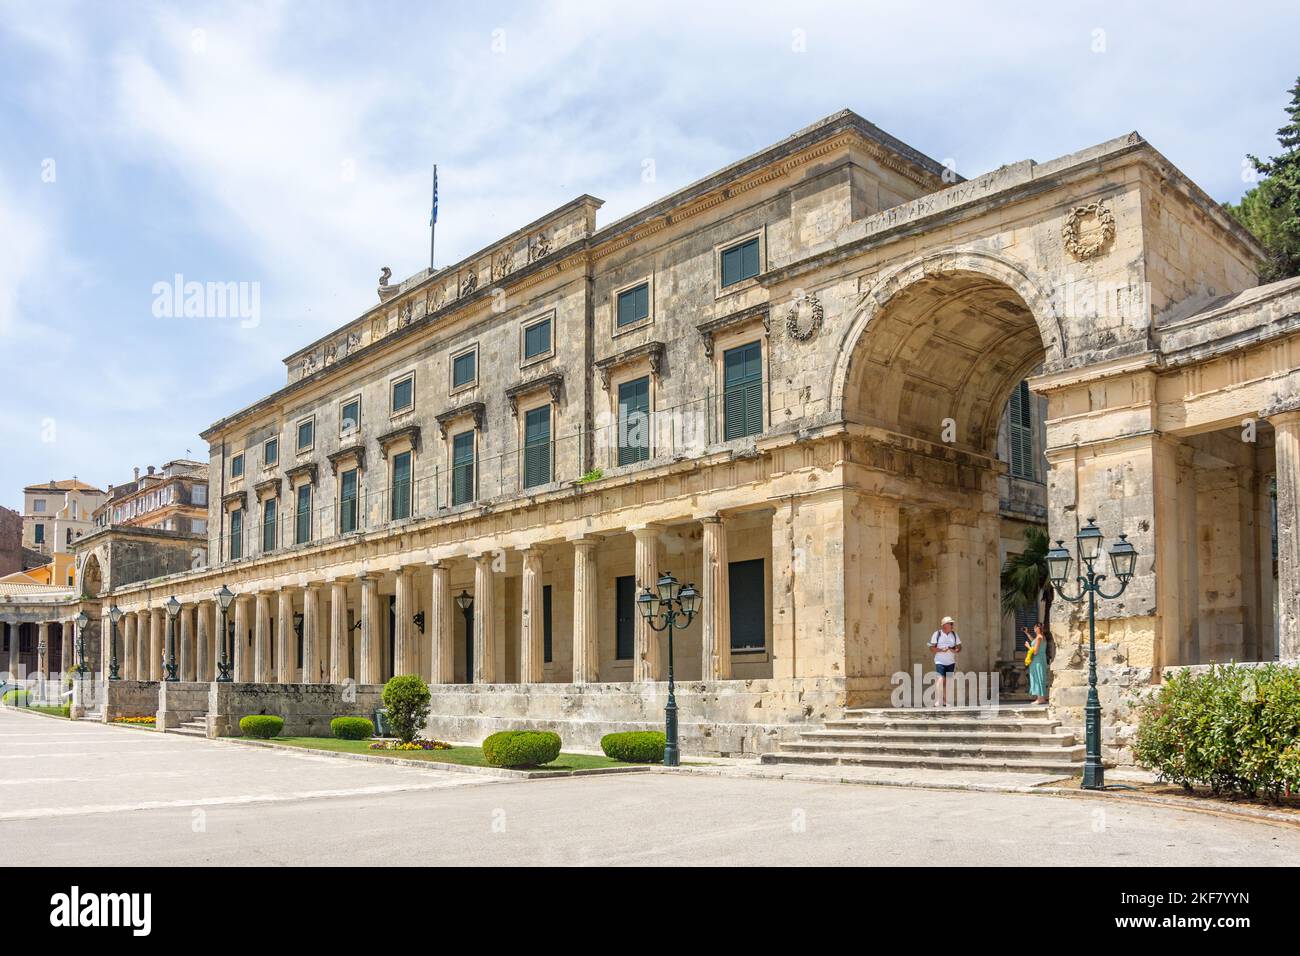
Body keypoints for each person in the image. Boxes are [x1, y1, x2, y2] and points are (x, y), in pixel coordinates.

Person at [928, 616, 962, 706]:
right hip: (940, 661)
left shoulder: (954, 634)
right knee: (940, 679)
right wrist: (940, 650)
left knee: (948, 682)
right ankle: (938, 700)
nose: (952, 625)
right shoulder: (937, 634)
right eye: (950, 623)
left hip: (951, 662)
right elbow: (931, 647)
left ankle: (945, 701)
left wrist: (955, 650)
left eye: (952, 623)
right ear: (945, 625)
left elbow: (959, 647)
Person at [1022, 622, 1050, 704]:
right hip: (1040, 659)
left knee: (1038, 677)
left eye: (1035, 628)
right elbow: (1033, 641)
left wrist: (1028, 646)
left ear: (1038, 628)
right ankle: (1042, 698)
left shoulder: (1039, 638)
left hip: (1037, 660)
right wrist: (1027, 633)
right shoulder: (1041, 637)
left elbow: (1035, 652)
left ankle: (1040, 699)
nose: (1034, 629)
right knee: (1040, 677)